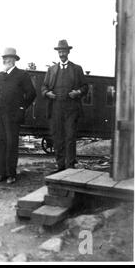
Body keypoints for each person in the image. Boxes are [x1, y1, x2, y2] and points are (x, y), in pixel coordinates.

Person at [41, 40, 88, 172]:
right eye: (60, 51)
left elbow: (85, 87)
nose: (62, 54)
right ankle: (60, 165)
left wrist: (78, 92)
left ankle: (70, 165)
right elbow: (43, 87)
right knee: (57, 137)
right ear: (58, 53)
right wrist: (47, 93)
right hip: (55, 108)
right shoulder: (51, 70)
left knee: (70, 136)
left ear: (68, 52)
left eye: (64, 51)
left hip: (71, 108)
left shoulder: (77, 69)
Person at [0, 48, 36, 183]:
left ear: (15, 60)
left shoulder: (22, 75)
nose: (6, 60)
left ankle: (11, 174)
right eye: (5, 58)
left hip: (12, 116)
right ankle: (1, 173)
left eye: (10, 58)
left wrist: (21, 108)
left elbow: (32, 93)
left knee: (11, 144)